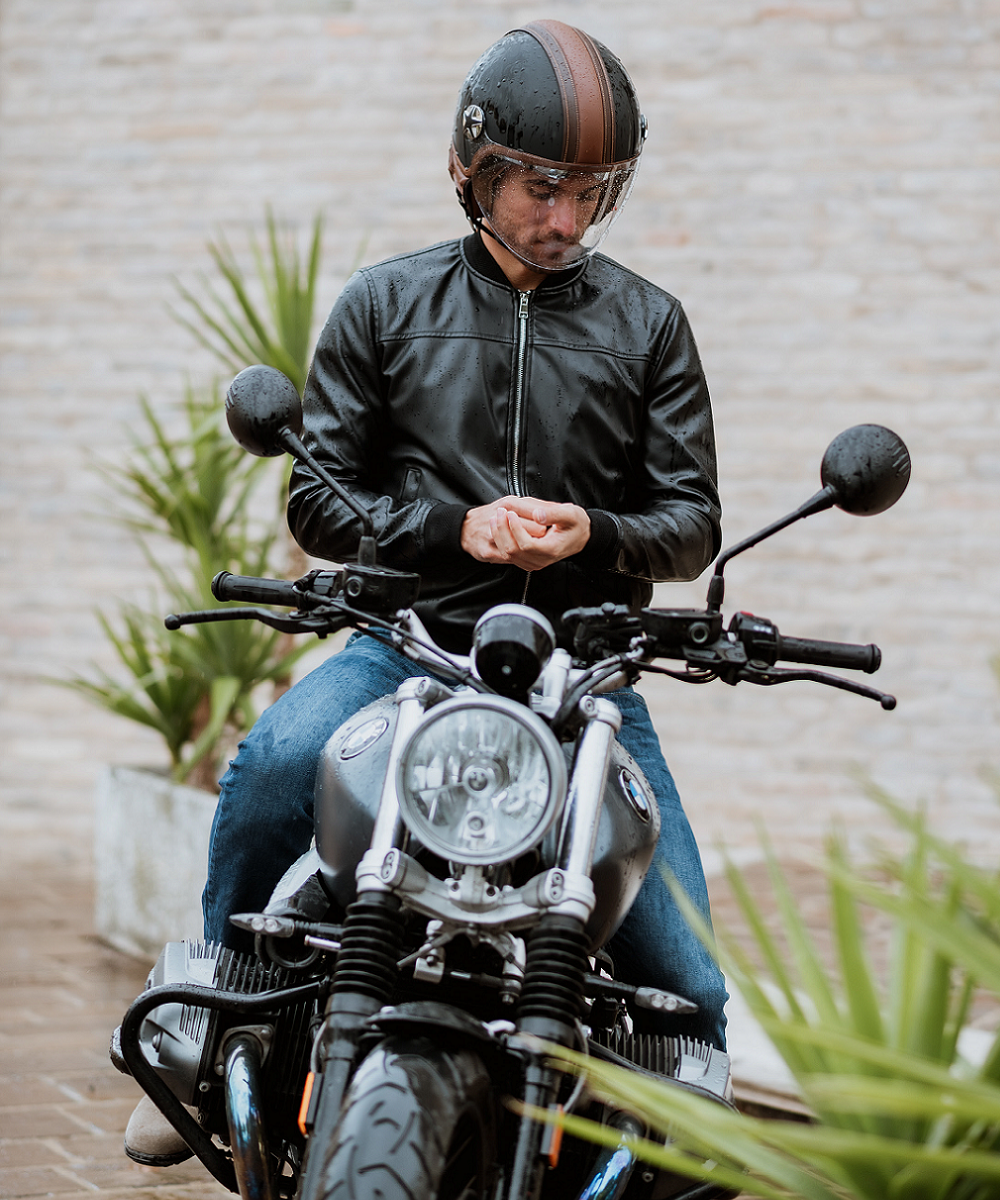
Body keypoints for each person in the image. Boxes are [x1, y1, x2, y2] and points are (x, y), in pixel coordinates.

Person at [126, 18, 728, 1164]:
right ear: (472, 168)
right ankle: (216, 1019)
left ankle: (673, 1151)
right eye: (542, 186)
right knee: (273, 768)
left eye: (591, 191)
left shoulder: (649, 325)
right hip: (406, 648)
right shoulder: (384, 303)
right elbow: (317, 503)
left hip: (583, 677)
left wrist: (592, 531)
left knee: (686, 970)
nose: (567, 218)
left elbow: (689, 523)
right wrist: (459, 529)